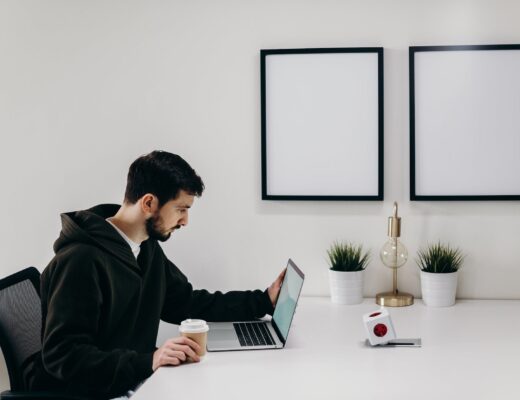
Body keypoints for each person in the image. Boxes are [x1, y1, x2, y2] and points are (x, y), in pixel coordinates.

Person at [29, 150, 285, 399]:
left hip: (133, 382)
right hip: (95, 392)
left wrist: (263, 300)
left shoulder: (145, 248)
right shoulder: (80, 260)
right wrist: (148, 361)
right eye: (181, 209)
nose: (185, 221)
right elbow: (63, 355)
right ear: (149, 203)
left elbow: (185, 302)